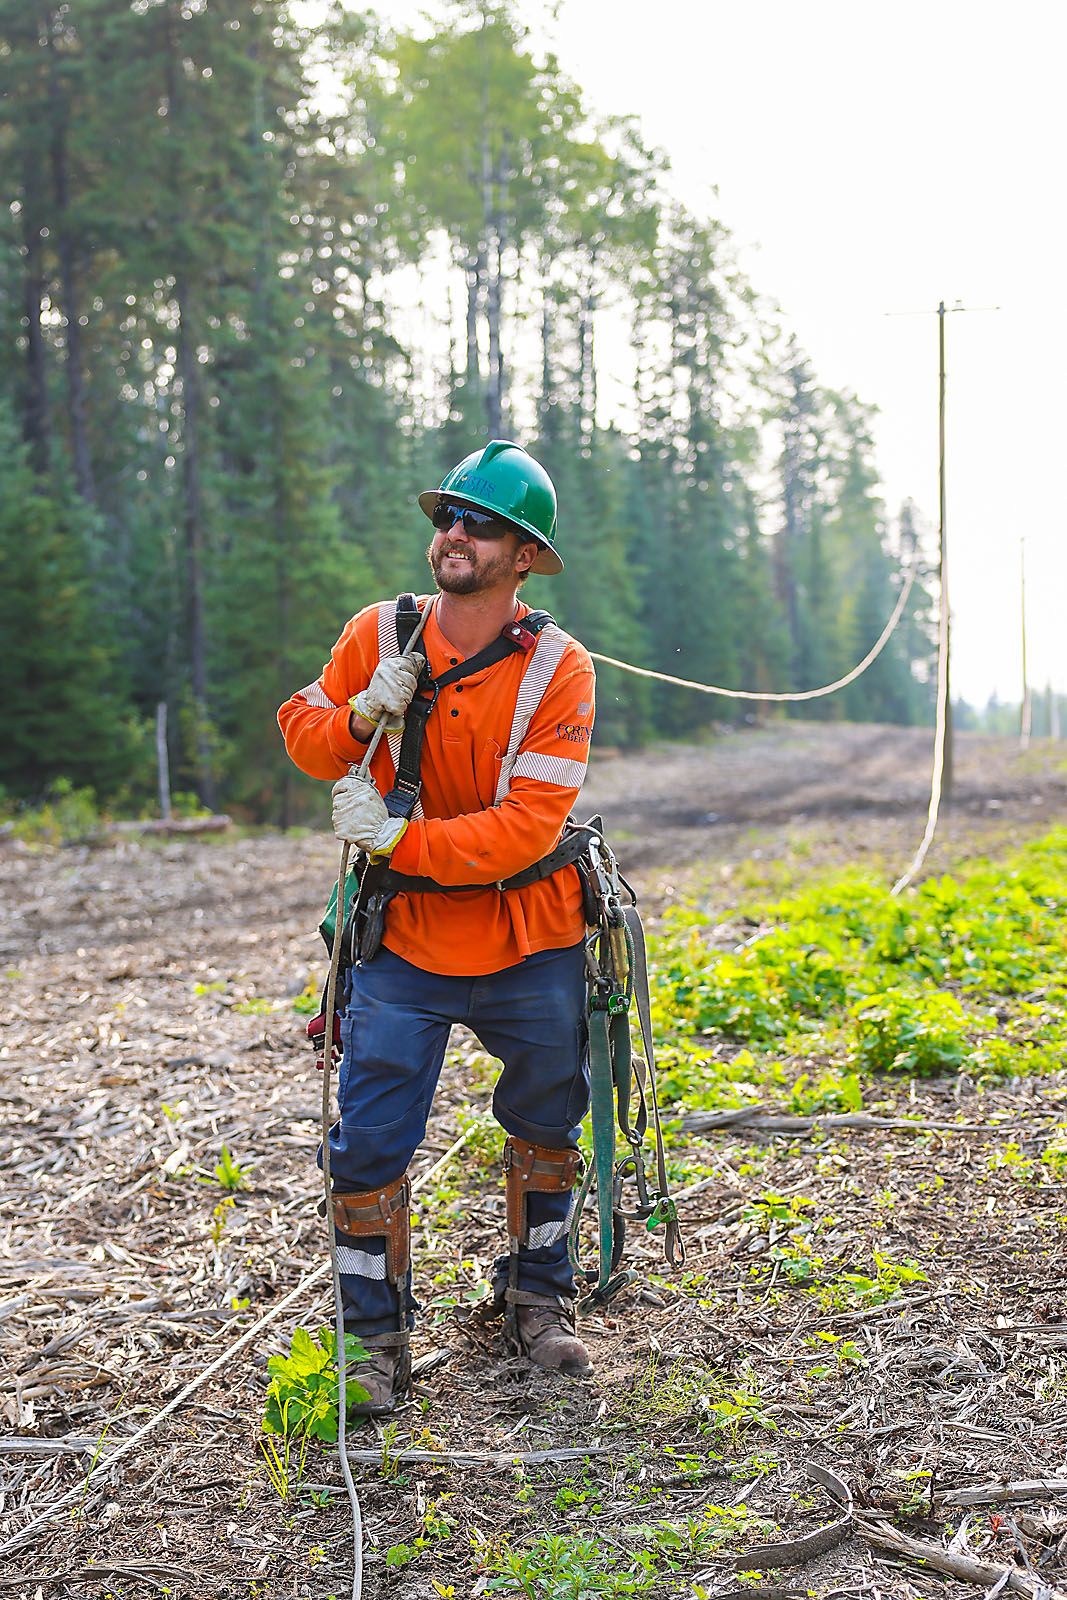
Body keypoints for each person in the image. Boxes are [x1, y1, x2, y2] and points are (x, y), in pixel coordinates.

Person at [278, 439, 597, 1414]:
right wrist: (359, 716)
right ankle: (374, 1341)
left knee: (548, 1120)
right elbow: (304, 727)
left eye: (479, 522)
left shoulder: (559, 670)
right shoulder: (378, 632)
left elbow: (521, 830)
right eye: (445, 517)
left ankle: (537, 1301)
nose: (453, 533)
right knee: (367, 1141)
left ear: (522, 555)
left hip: (529, 937)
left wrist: (392, 836)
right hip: (404, 942)